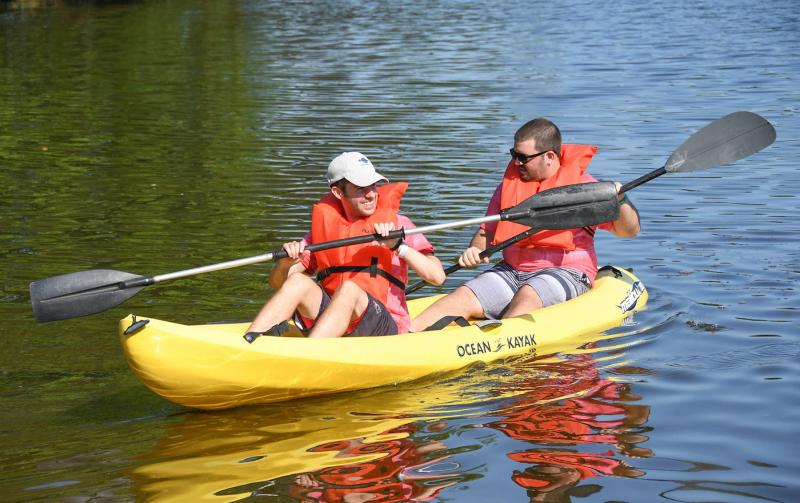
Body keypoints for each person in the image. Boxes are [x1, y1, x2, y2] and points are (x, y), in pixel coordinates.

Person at [410, 118, 640, 332]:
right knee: (460, 297)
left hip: (566, 272)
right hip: (511, 271)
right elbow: (485, 233)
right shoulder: (508, 188)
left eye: (523, 157)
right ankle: (403, 337)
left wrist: (618, 198)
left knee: (528, 295)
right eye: (514, 154)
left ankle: (500, 350)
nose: (516, 162)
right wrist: (476, 249)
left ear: (549, 156)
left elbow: (628, 231)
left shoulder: (583, 189)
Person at [244, 152, 445, 341]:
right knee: (297, 281)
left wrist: (398, 246)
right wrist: (285, 264)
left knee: (349, 289)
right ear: (338, 192)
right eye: (360, 188)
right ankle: (250, 343)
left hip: (383, 326)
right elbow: (278, 284)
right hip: (333, 321)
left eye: (373, 186)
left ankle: (309, 356)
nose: (371, 195)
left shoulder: (399, 225)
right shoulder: (323, 231)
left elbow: (437, 277)